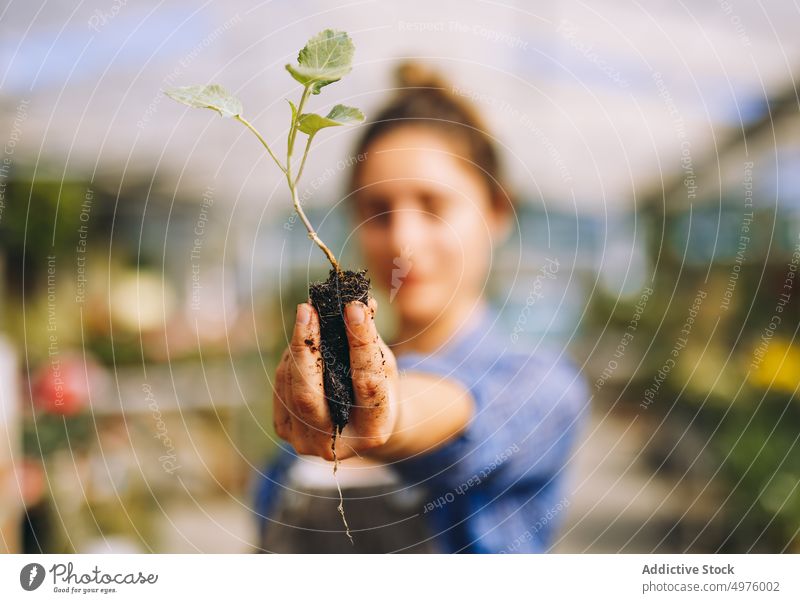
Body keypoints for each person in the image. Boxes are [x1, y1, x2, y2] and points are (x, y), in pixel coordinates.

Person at [255, 61, 589, 553]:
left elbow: (439, 412)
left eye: (434, 206)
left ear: (497, 211)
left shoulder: (539, 387)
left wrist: (375, 411)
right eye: (378, 211)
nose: (404, 240)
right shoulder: (318, 396)